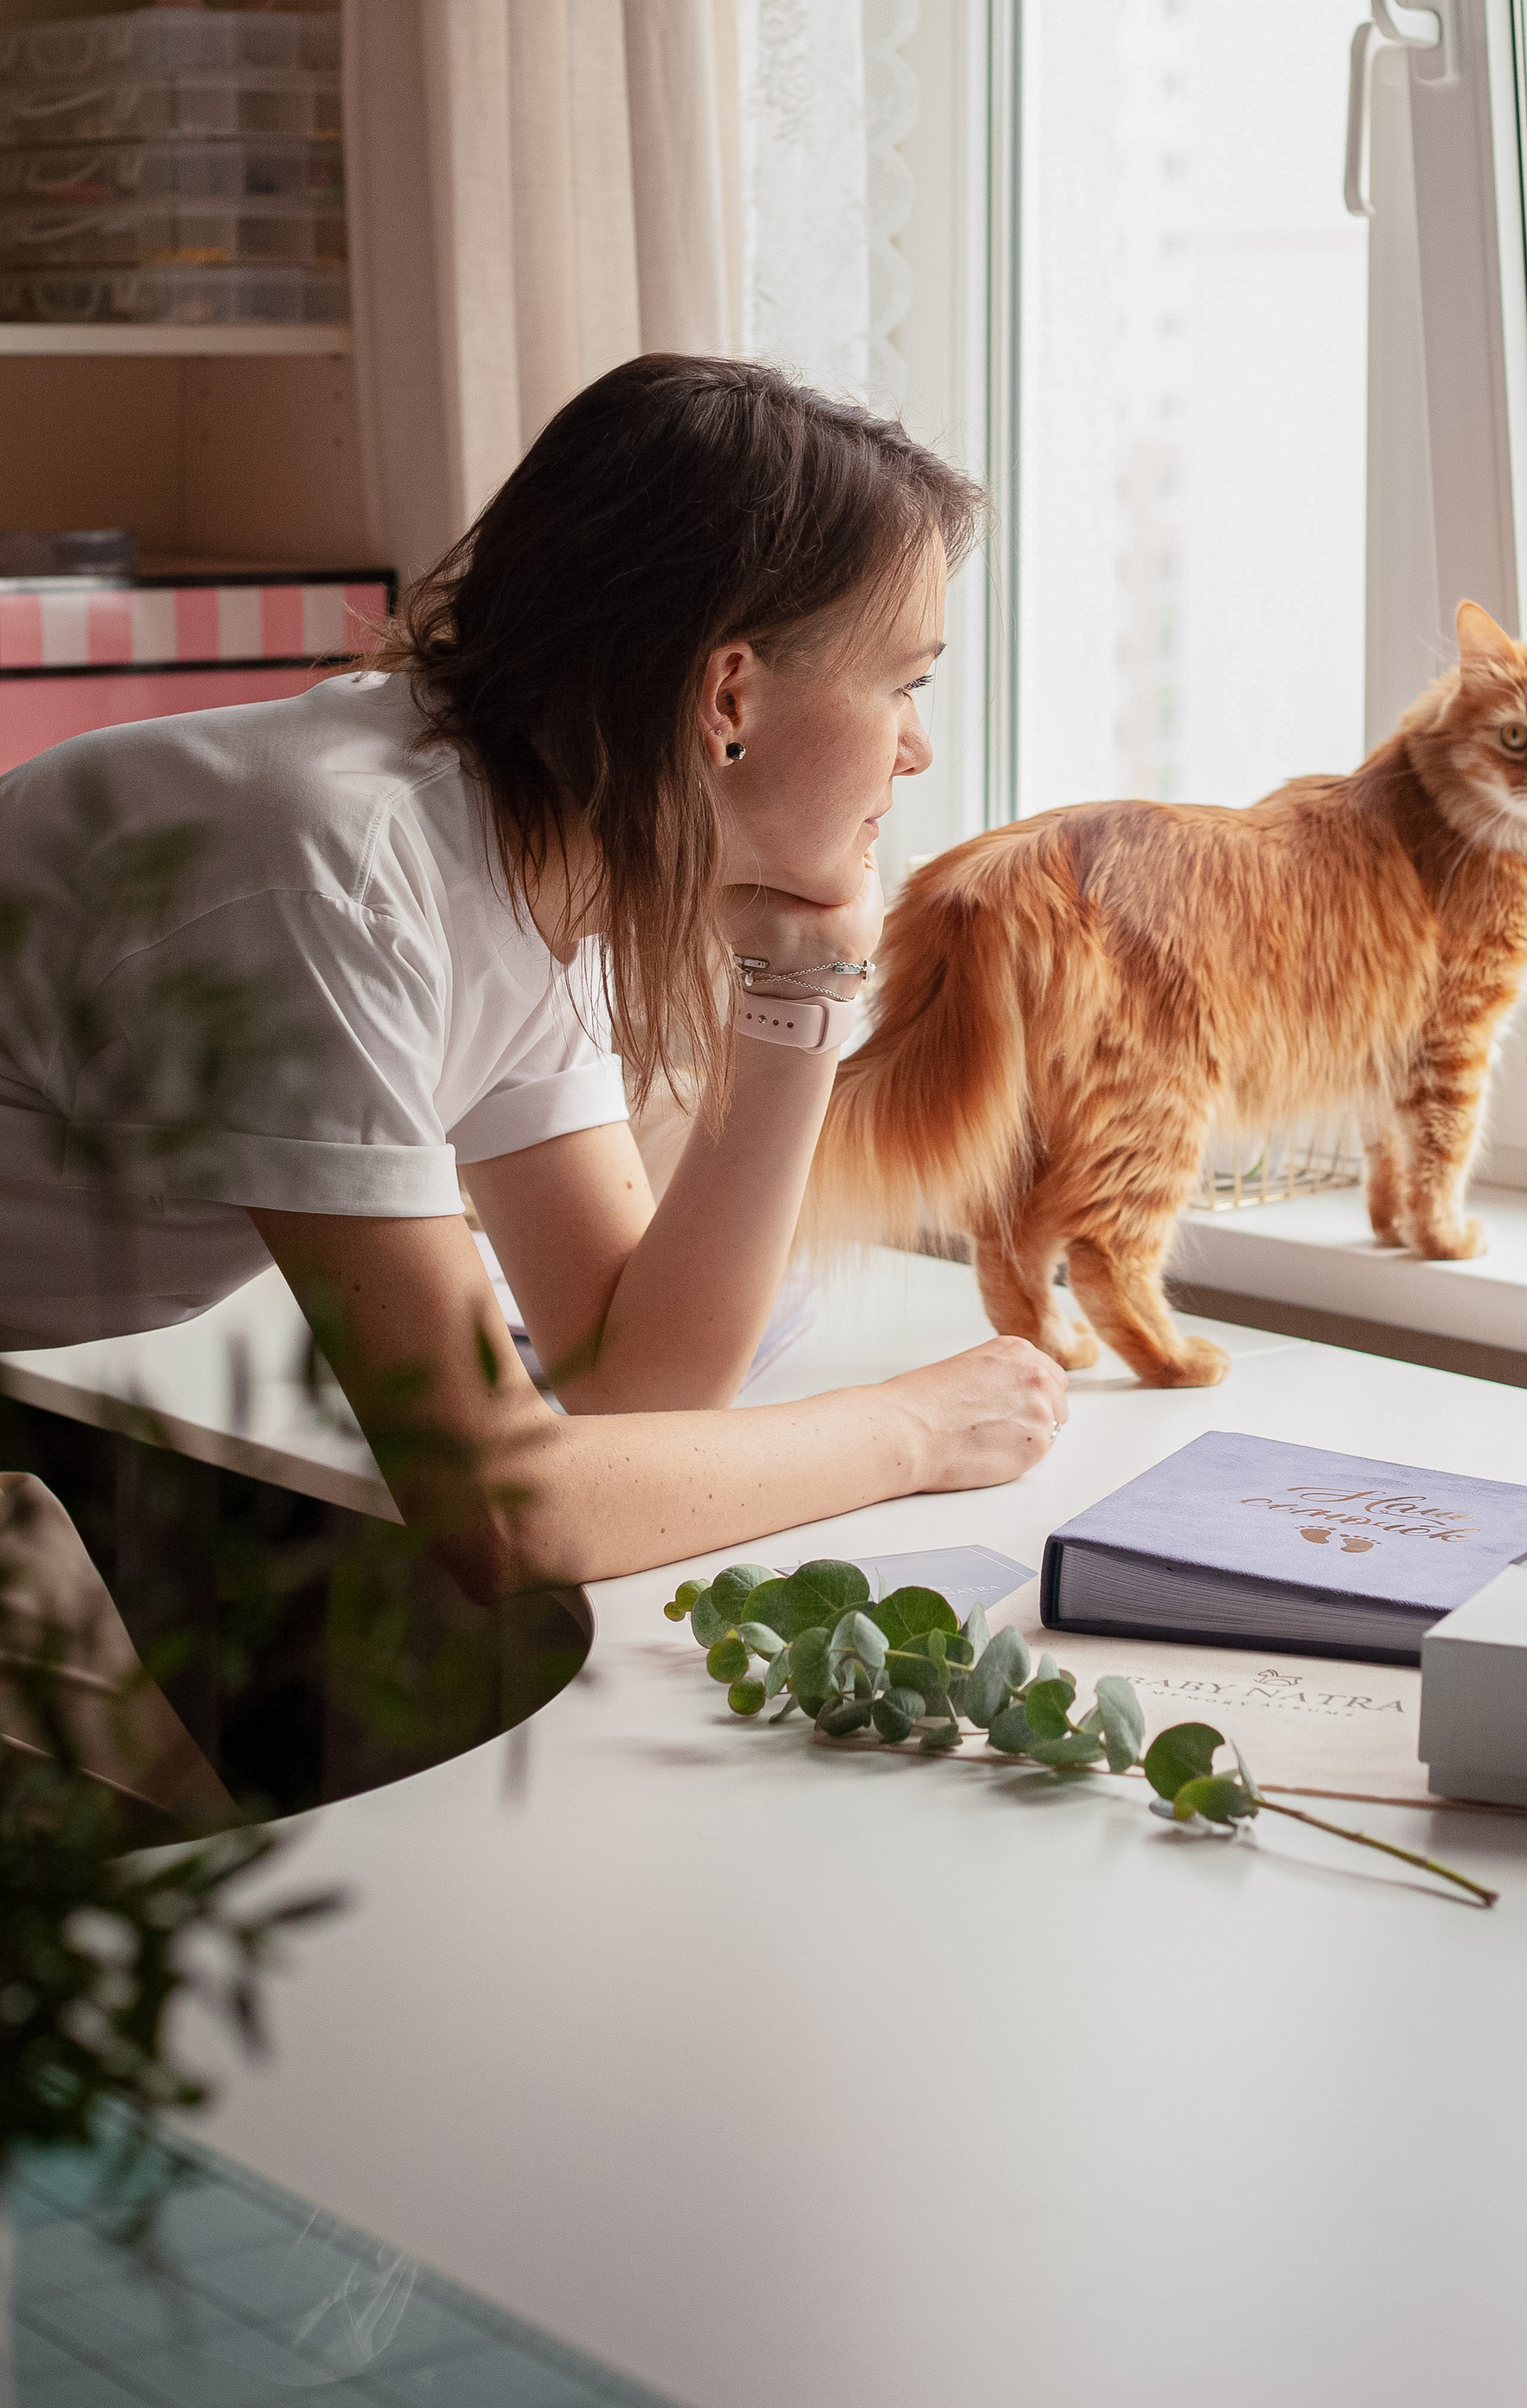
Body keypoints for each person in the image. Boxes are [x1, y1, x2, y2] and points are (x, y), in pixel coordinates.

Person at [0, 356, 1066, 1599]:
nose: (919, 748)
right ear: (729, 692)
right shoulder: (334, 873)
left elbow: (636, 1378)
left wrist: (800, 994)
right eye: (905, 682)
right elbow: (502, 1513)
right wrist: (914, 1433)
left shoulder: (530, 860)